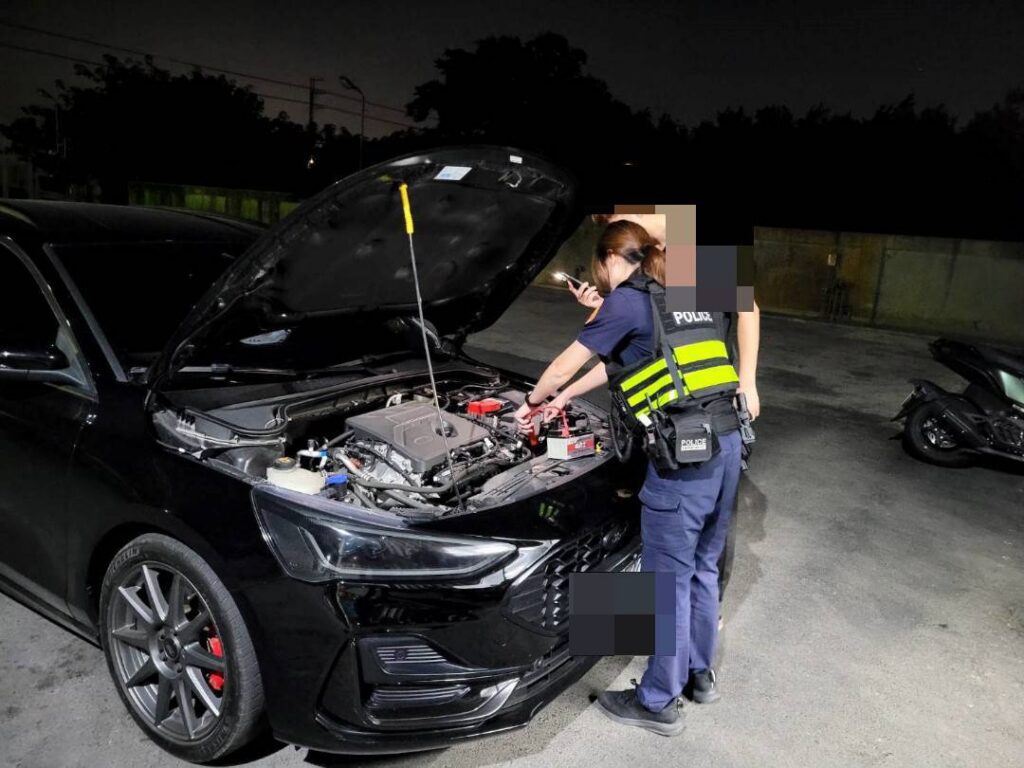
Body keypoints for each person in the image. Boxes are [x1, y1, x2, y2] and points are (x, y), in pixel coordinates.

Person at [513, 220, 759, 737]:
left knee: (664, 583)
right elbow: (633, 357)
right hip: (729, 441)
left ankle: (656, 701)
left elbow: (563, 365)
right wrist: (567, 398)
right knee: (703, 566)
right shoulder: (688, 282)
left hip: (685, 457)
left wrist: (535, 402)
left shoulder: (627, 299)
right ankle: (699, 675)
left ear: (607, 259)